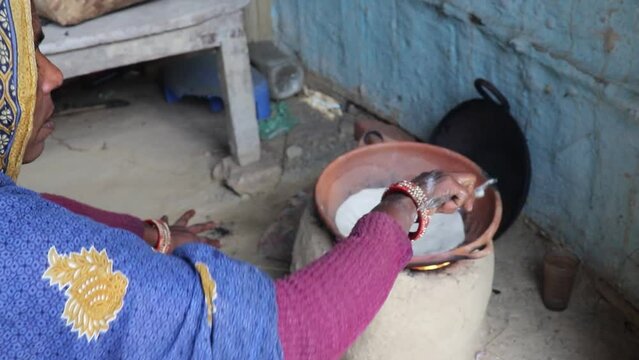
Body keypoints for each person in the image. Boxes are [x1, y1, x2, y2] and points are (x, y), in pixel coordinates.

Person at [0, 1, 477, 359]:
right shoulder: (21, 255)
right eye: (28, 54)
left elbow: (39, 210)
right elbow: (294, 331)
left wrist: (145, 235)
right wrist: (408, 202)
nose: (54, 76)